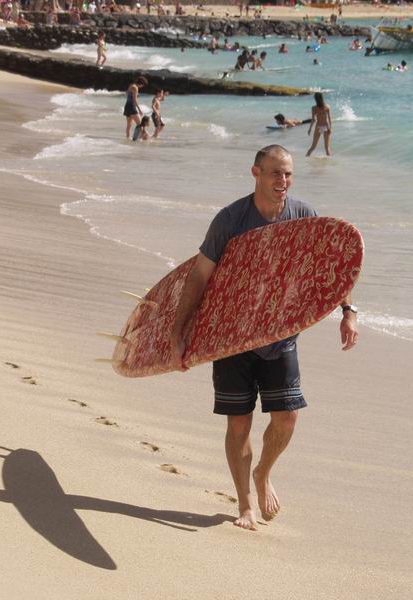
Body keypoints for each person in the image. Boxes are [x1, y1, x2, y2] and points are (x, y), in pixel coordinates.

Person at [168, 144, 359, 531]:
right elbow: (200, 275)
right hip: (232, 337)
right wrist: (179, 331)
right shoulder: (230, 219)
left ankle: (264, 472)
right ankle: (244, 504)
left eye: (288, 174)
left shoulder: (303, 215)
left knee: (286, 418)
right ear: (255, 173)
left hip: (280, 334)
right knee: (238, 424)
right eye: (275, 173)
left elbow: (330, 270)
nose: (283, 181)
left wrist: (348, 311)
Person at [306, 92, 331, 157]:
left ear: (315, 99)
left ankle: (306, 159)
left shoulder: (314, 108)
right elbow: (329, 118)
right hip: (326, 127)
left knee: (313, 147)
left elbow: (313, 120)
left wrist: (310, 129)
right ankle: (330, 165)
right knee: (327, 148)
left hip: (318, 127)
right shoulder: (327, 107)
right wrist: (330, 128)